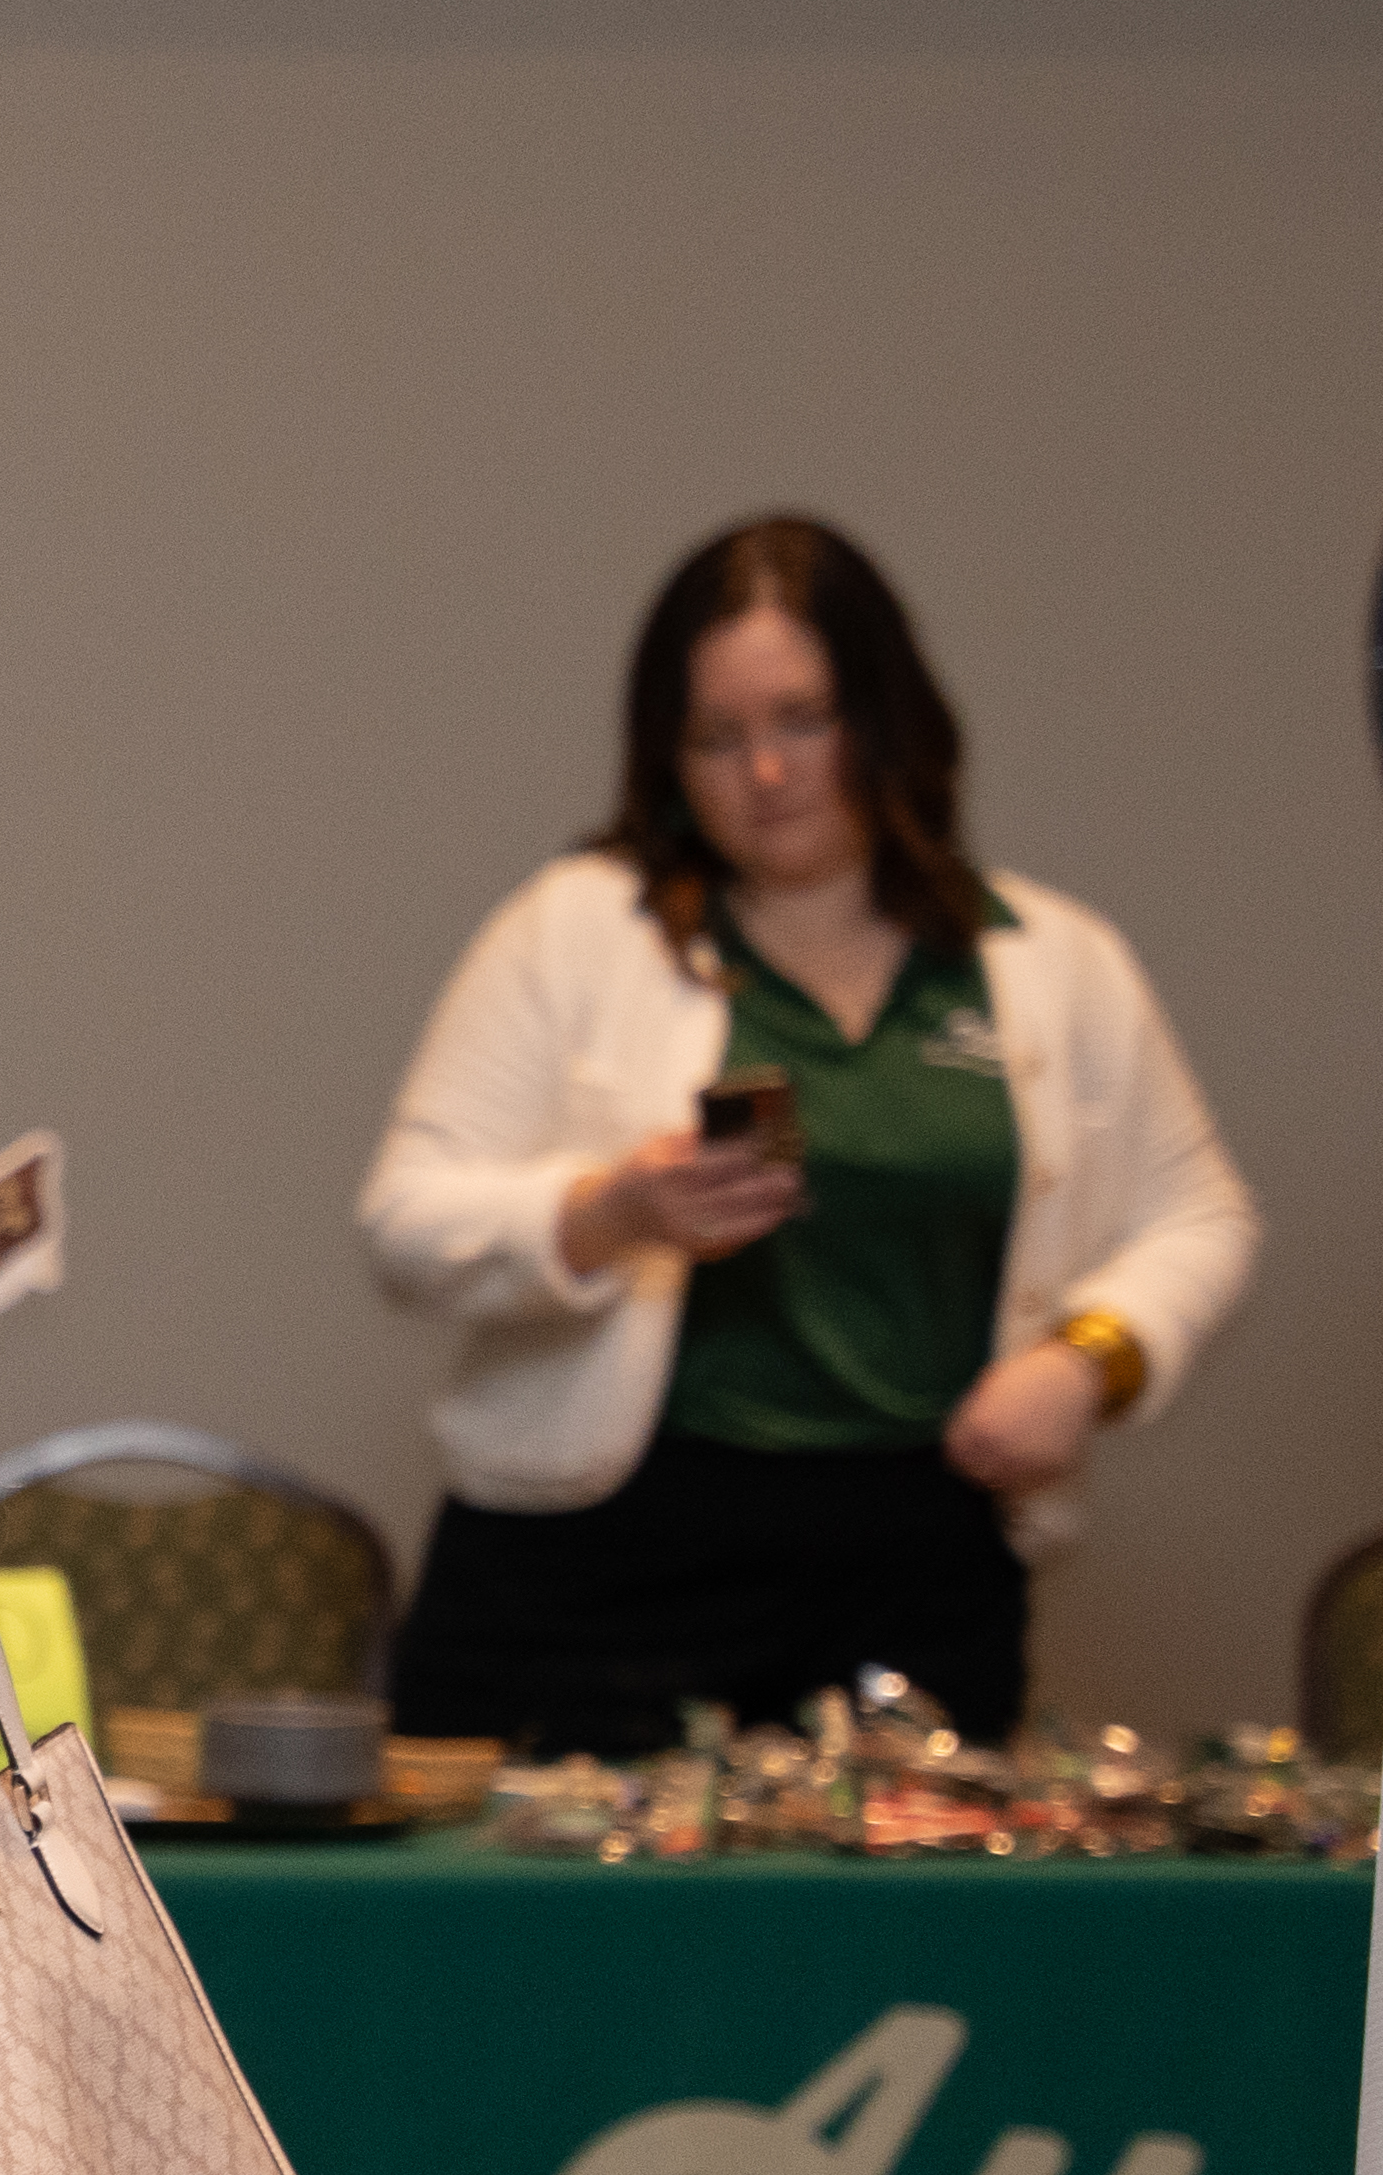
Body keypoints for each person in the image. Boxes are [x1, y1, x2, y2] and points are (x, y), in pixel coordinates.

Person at [360, 515, 1259, 1755]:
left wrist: (1090, 1359)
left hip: (922, 1571)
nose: (766, 774)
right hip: (595, 1575)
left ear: (885, 716)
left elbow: (1199, 1213)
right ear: (664, 760)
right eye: (717, 739)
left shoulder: (1048, 962)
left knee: (893, 1948)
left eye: (801, 720)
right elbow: (404, 1224)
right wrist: (610, 1211)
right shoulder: (573, 932)